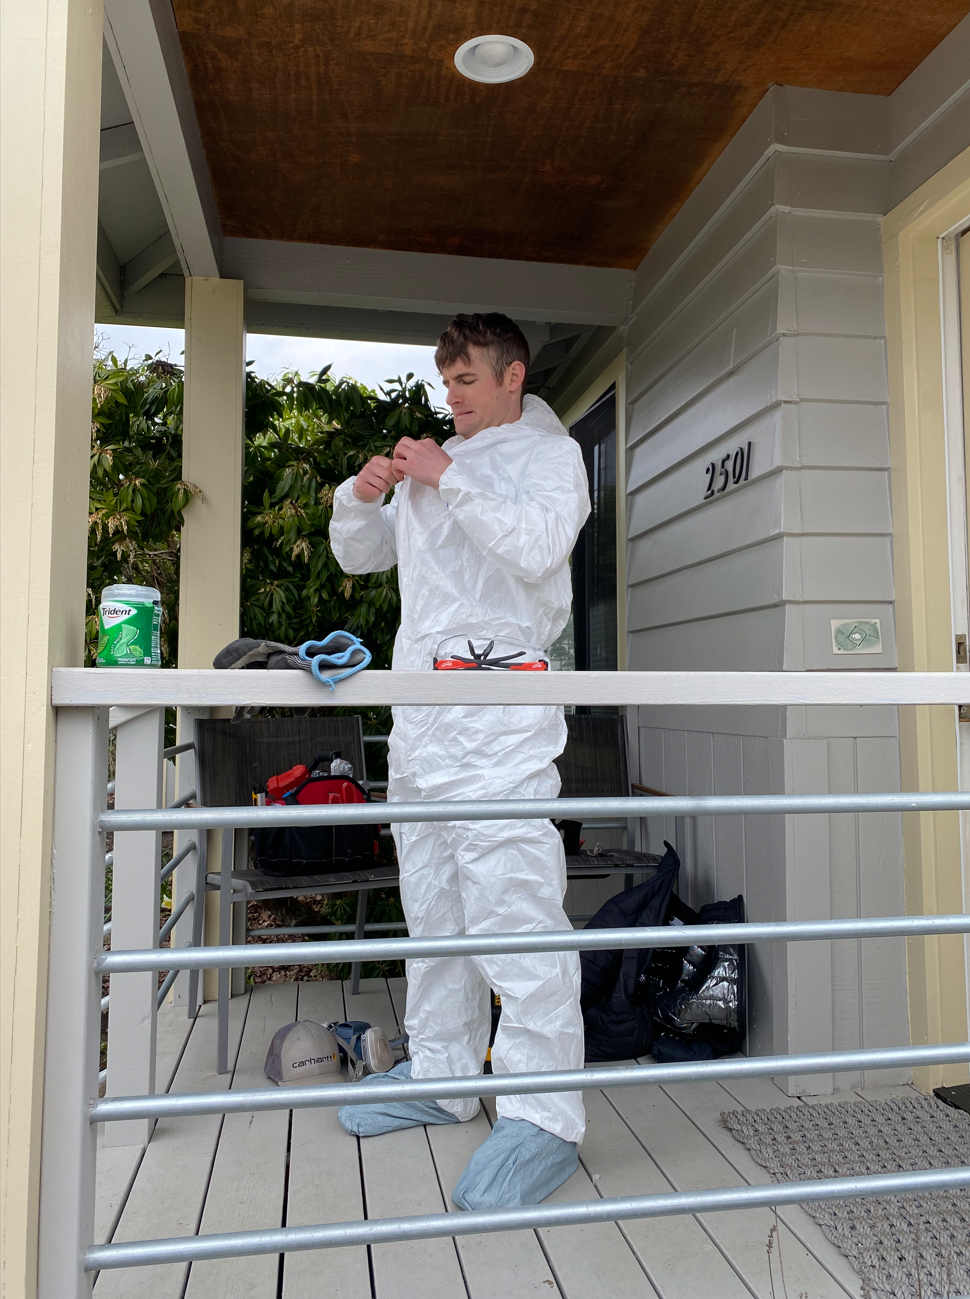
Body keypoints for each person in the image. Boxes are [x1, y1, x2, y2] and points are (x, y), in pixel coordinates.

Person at [328, 312, 591, 1210]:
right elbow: (362, 557)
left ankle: (545, 1114)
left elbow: (536, 547)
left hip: (501, 725)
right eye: (446, 386)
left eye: (467, 382)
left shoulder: (551, 459)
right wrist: (362, 496)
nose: (454, 399)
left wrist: (448, 477)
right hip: (424, 727)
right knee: (435, 911)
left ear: (513, 375)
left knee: (515, 915)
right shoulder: (439, 463)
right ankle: (440, 1072)